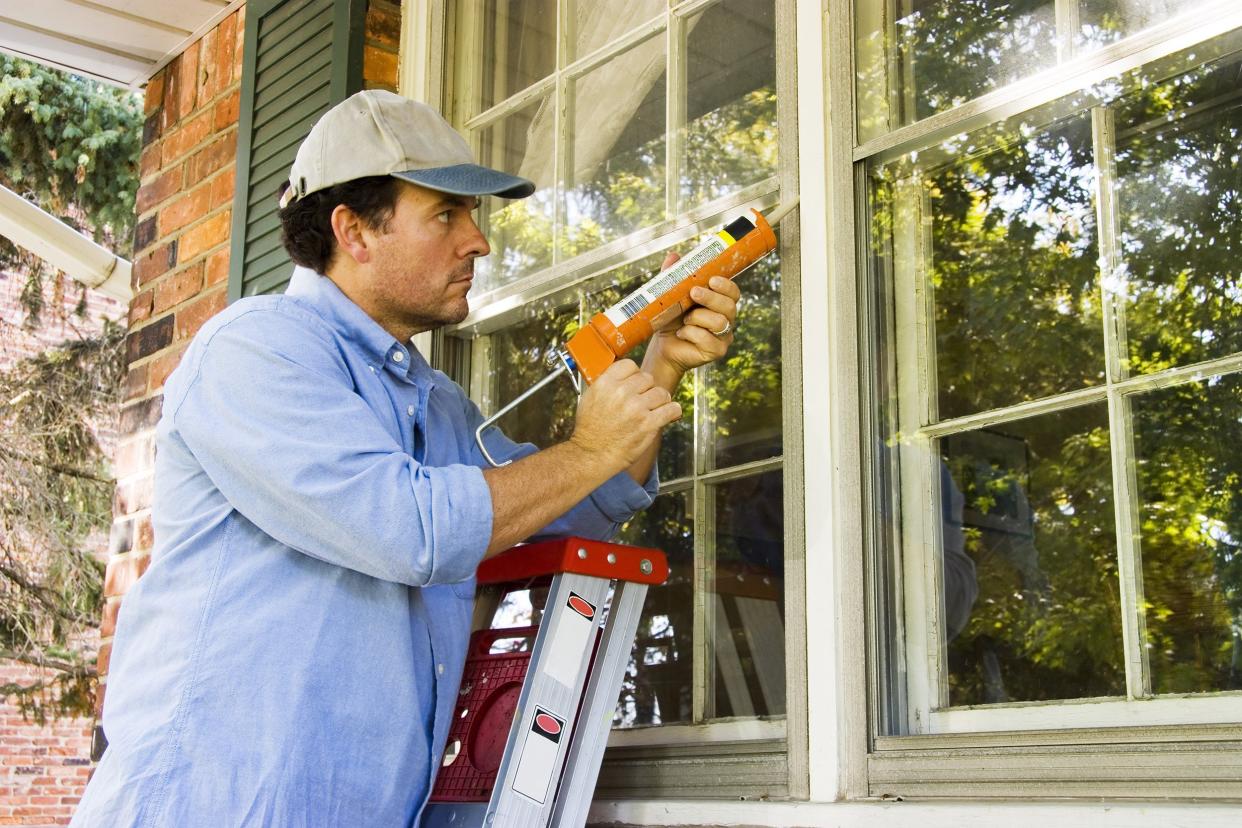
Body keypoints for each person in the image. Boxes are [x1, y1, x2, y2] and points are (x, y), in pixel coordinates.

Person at [72, 90, 741, 826]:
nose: (478, 241)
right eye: (447, 215)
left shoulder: (436, 401)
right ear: (354, 232)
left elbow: (573, 509)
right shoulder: (256, 350)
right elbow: (412, 527)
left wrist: (662, 366)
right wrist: (588, 448)